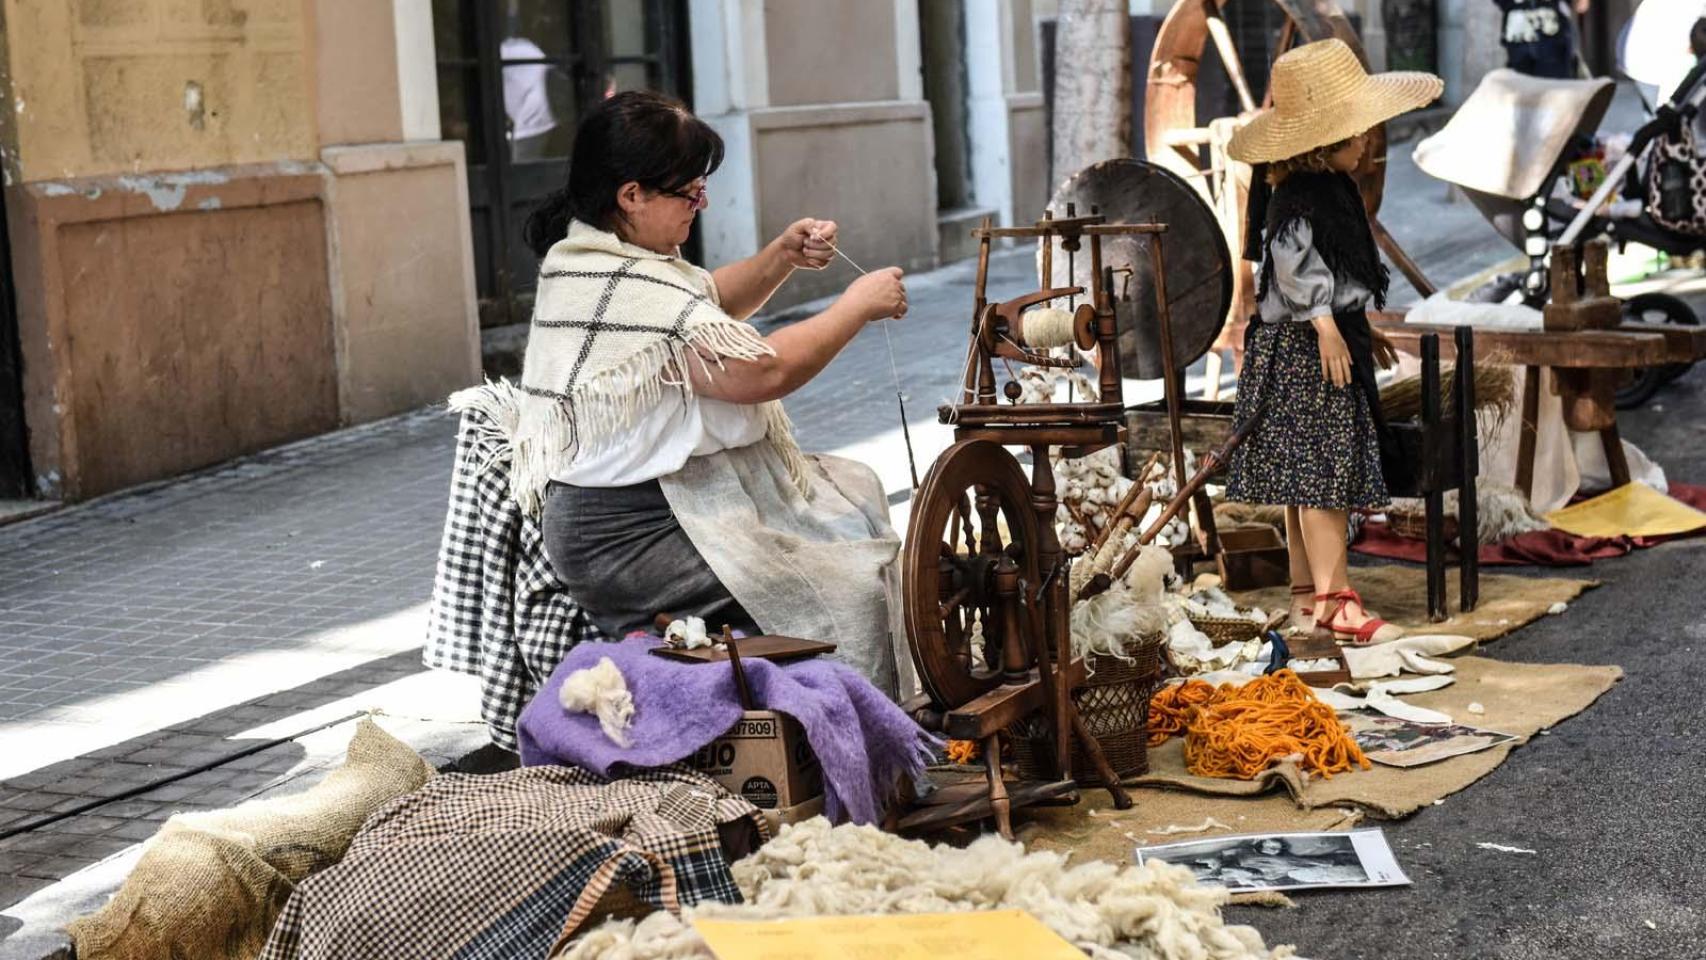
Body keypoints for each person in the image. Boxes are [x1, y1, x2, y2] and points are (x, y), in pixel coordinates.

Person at [513, 91, 913, 695]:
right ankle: (855, 720)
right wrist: (855, 308)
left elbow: (705, 305)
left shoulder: (603, 255)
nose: (700, 204)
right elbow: (760, 372)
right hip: (627, 539)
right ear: (631, 195)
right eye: (689, 191)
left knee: (852, 490)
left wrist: (781, 257)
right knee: (849, 581)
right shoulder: (617, 282)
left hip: (654, 506)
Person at [1225, 39, 1444, 646]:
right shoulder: (1299, 195)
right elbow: (1292, 268)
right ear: (1324, 146)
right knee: (1323, 477)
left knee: (1304, 480)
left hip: (1307, 339)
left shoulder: (1326, 188)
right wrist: (1326, 324)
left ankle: (1306, 598)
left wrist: (1358, 325)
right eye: (1357, 136)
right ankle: (1336, 601)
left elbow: (1328, 268)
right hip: (1303, 349)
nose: (1368, 144)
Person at [1495, 0, 1589, 79]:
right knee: (1522, 91)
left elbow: (1581, 5)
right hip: (1519, 38)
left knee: (1555, 90)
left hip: (1552, 41)